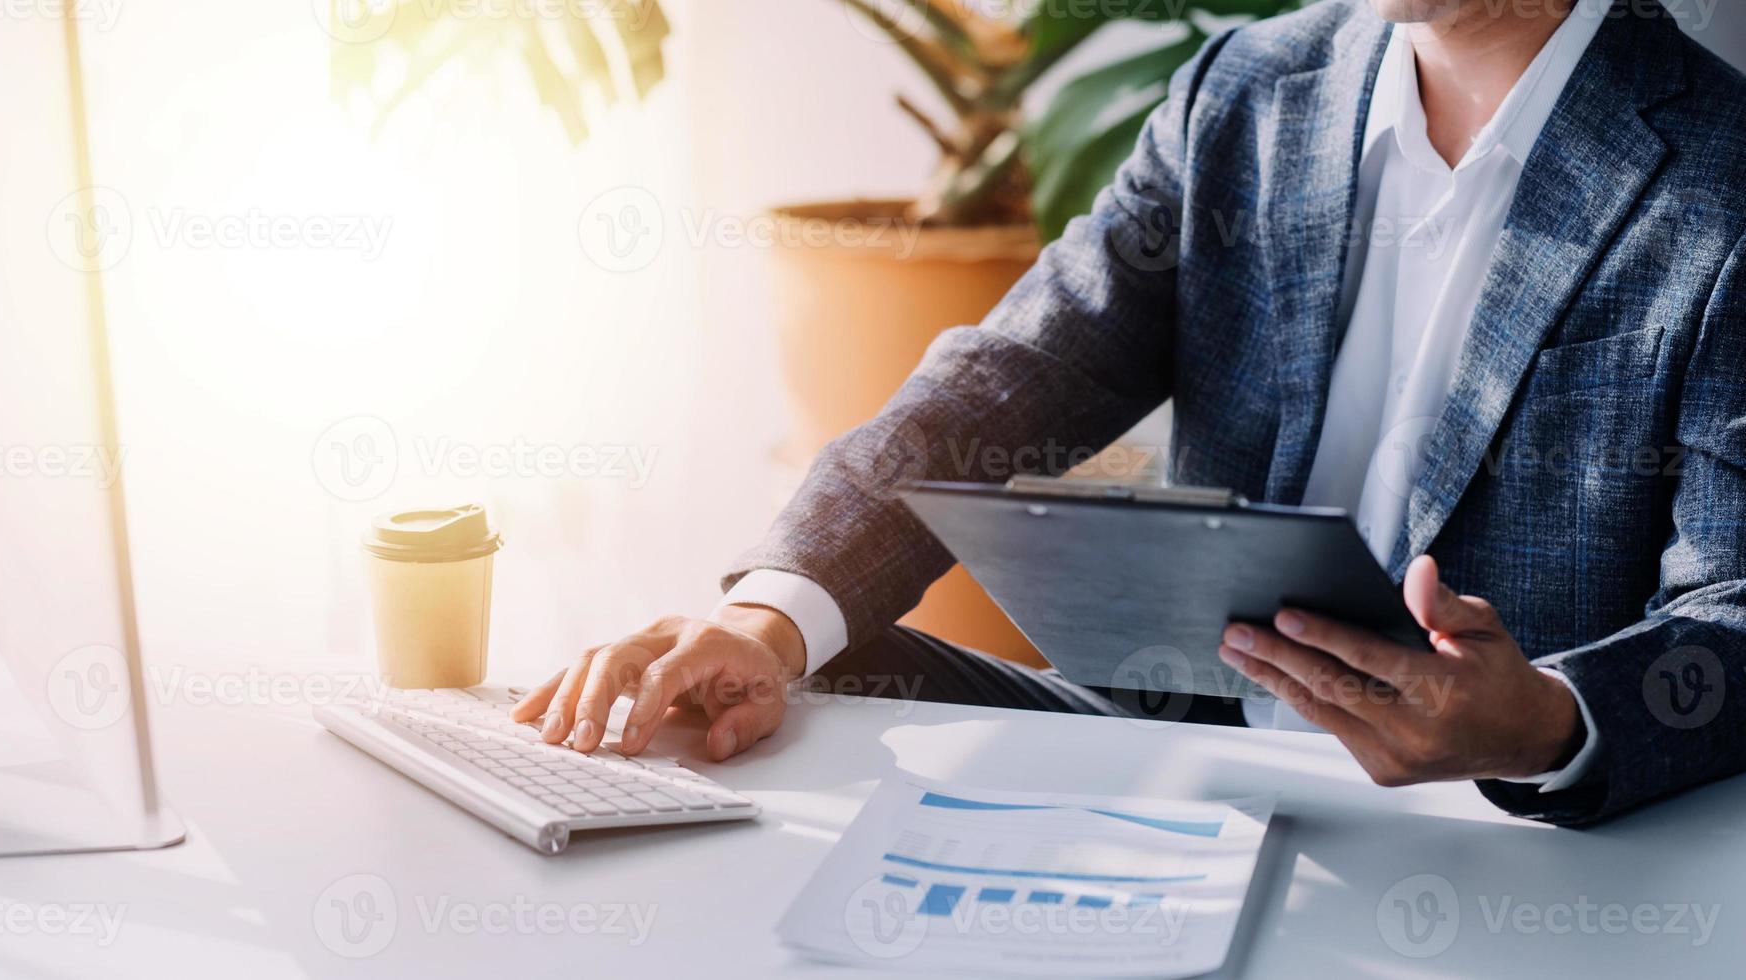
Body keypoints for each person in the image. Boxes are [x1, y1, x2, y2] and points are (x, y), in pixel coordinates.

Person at [515, 0, 1746, 825]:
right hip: (1191, 752)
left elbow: (1732, 613)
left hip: (1493, 816)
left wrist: (1544, 720)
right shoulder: (1249, 95)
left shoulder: (1720, 174)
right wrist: (765, 616)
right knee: (774, 690)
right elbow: (1019, 376)